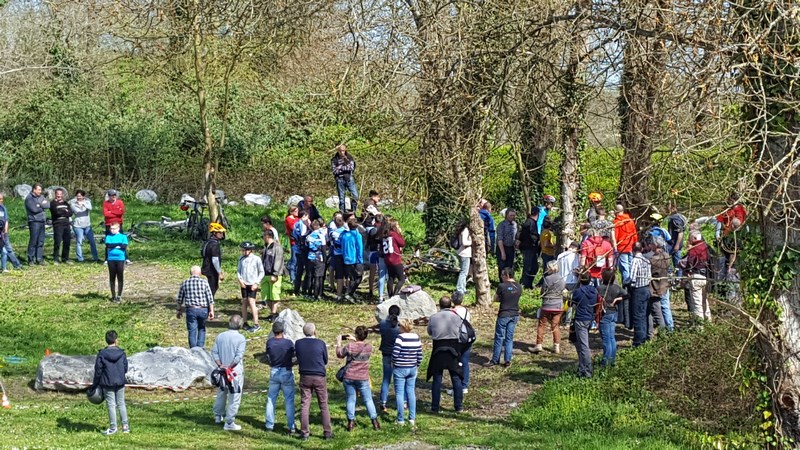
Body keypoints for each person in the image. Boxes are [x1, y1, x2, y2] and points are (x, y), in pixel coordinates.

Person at [336, 326, 380, 431]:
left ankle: (350, 422)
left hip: (349, 377)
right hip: (363, 377)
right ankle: (375, 422)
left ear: (356, 334)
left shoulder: (349, 346)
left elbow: (339, 355)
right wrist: (356, 339)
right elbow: (361, 345)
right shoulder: (369, 347)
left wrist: (338, 343)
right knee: (368, 400)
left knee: (351, 399)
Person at [295, 322, 333, 440]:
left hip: (305, 376)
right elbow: (325, 360)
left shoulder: (298, 343)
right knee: (323, 404)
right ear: (314, 331)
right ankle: (327, 432)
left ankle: (304, 432)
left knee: (305, 404)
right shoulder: (320, 343)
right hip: (319, 376)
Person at [426, 296, 464, 413]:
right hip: (453, 348)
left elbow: (429, 332)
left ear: (440, 305)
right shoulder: (457, 317)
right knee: (456, 377)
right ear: (450, 305)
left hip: (438, 348)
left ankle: (435, 407)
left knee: (437, 378)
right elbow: (461, 332)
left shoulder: (433, 318)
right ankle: (458, 406)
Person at [211, 315, 247, 431]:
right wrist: (229, 367)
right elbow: (238, 357)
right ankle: (229, 421)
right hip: (234, 372)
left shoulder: (220, 336)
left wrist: (221, 365)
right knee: (234, 395)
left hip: (222, 370)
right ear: (240, 325)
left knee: (222, 392)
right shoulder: (241, 338)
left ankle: (218, 415)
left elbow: (214, 352)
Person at [92, 330, 129, 435]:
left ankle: (113, 428)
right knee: (121, 403)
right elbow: (125, 368)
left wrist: (95, 384)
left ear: (106, 341)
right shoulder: (122, 353)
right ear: (116, 340)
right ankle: (125, 427)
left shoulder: (102, 354)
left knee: (111, 405)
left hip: (107, 383)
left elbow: (98, 370)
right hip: (120, 382)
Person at [264, 321, 297, 435]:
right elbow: (293, 355)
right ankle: (291, 426)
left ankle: (269, 425)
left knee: (271, 399)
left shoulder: (270, 342)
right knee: (289, 400)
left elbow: (267, 355)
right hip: (286, 371)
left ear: (273, 331)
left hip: (274, 371)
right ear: (283, 331)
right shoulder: (288, 343)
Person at [485, 268, 522, 367]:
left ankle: (495, 359)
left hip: (504, 314)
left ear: (507, 275)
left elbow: (496, 298)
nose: (501, 277)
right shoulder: (519, 287)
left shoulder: (502, 286)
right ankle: (507, 360)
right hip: (514, 314)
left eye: (502, 275)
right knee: (509, 338)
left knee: (499, 337)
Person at [392, 318, 422, 427]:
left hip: (400, 367)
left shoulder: (400, 338)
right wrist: (416, 365)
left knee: (400, 394)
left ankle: (400, 419)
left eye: (399, 325)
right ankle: (412, 418)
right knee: (411, 392)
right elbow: (420, 354)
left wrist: (394, 363)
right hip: (412, 368)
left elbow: (395, 354)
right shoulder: (416, 337)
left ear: (403, 327)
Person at [176, 265, 215, 348]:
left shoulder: (185, 282)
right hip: (203, 309)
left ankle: (193, 350)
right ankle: (200, 349)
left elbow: (179, 298)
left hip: (191, 309)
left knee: (192, 330)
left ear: (190, 273)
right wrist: (211, 311)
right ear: (200, 273)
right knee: (202, 329)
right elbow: (210, 298)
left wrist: (179, 310)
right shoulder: (204, 282)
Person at [534, 260, 566, 354]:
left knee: (542, 324)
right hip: (558, 305)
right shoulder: (562, 279)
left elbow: (543, 292)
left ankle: (539, 344)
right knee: (555, 326)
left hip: (547, 305)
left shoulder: (546, 279)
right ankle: (556, 346)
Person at [598, 269, 628, 367]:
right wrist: (616, 299)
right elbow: (627, 295)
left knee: (606, 338)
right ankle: (612, 359)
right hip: (614, 313)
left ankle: (606, 361)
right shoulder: (617, 288)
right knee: (611, 337)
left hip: (605, 314)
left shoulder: (600, 288)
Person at [376, 305, 401, 412]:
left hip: (386, 353)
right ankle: (402, 402)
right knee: (399, 380)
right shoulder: (400, 327)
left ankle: (383, 402)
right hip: (398, 354)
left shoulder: (383, 324)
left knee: (386, 379)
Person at [571, 273, 596, 378]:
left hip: (580, 319)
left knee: (584, 346)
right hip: (589, 318)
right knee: (580, 344)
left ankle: (587, 371)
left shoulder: (578, 291)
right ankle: (582, 367)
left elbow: (573, 302)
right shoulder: (594, 290)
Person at [237, 241, 265, 333]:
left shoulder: (256, 259)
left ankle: (256, 324)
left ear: (250, 250)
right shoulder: (241, 259)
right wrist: (240, 280)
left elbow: (261, 272)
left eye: (245, 250)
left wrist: (256, 283)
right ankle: (245, 322)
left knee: (252, 302)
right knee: (244, 301)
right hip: (244, 283)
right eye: (243, 250)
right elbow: (238, 271)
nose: (243, 252)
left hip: (253, 284)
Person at [647, 237, 672, 334]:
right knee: (666, 307)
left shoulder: (653, 259)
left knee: (658, 309)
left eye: (651, 244)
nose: (650, 245)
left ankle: (663, 329)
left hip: (656, 287)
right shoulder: (666, 255)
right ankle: (670, 328)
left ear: (655, 245)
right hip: (665, 285)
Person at [684, 232, 710, 321]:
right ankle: (708, 320)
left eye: (690, 238)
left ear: (694, 238)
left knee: (697, 303)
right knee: (704, 300)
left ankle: (700, 326)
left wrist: (687, 271)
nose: (688, 240)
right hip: (705, 276)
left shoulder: (694, 249)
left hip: (696, 276)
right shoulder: (705, 246)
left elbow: (690, 263)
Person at [630, 242, 652, 347]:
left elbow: (632, 278)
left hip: (638, 290)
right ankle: (644, 337)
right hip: (646, 288)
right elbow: (649, 276)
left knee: (637, 315)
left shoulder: (635, 261)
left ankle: (638, 341)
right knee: (644, 314)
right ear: (642, 249)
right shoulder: (646, 261)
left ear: (632, 249)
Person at [450, 291, 472, 395]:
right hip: (467, 338)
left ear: (452, 300)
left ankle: (456, 386)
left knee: (456, 362)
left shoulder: (452, 312)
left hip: (456, 339)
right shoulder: (466, 311)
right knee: (465, 362)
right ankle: (464, 385)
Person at [69, 190, 100, 263]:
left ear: (83, 196)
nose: (79, 197)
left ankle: (95, 257)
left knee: (92, 241)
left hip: (87, 225)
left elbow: (90, 208)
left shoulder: (87, 202)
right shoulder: (73, 204)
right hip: (78, 226)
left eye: (80, 196)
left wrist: (83, 204)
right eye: (77, 196)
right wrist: (79, 205)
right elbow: (77, 211)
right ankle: (80, 258)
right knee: (79, 242)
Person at [261, 230, 285, 322]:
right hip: (265, 274)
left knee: (274, 295)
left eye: (263, 236)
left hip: (274, 275)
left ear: (268, 236)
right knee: (266, 296)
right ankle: (273, 313)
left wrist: (275, 274)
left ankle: (274, 314)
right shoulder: (265, 247)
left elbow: (278, 261)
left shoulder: (277, 248)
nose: (263, 238)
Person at [612, 204, 638, 286]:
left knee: (624, 269)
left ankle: (627, 286)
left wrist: (614, 248)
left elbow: (615, 237)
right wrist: (634, 245)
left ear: (616, 211)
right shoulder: (630, 220)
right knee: (630, 266)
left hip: (621, 248)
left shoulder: (617, 222)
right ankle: (632, 283)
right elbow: (634, 234)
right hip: (630, 247)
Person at [556, 242, 580, 325]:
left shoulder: (560, 255)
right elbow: (576, 269)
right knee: (571, 302)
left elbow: (557, 268)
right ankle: (568, 321)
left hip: (561, 280)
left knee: (561, 300)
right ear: (576, 248)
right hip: (572, 280)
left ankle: (558, 318)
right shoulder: (575, 256)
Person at [341, 216, 365, 301]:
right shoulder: (357, 235)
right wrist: (360, 260)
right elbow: (359, 248)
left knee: (351, 277)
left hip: (346, 259)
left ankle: (350, 294)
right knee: (358, 277)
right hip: (354, 259)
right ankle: (349, 293)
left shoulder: (344, 235)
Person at [24, 183, 49, 265]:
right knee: (33, 241)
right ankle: (30, 259)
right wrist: (42, 205)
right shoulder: (29, 198)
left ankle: (39, 258)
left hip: (42, 221)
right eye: (39, 190)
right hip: (34, 222)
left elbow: (48, 205)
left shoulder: (41, 197)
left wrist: (39, 205)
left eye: (41, 190)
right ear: (34, 189)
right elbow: (34, 209)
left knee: (41, 241)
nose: (40, 191)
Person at [381, 218, 406, 296]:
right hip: (395, 259)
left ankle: (390, 295)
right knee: (401, 279)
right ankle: (395, 295)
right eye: (397, 225)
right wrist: (400, 234)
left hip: (387, 259)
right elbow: (402, 243)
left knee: (391, 277)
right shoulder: (394, 234)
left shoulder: (385, 234)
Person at [331, 144, 359, 213]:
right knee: (341, 199)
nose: (342, 152)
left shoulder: (349, 157)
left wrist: (340, 167)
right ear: (338, 151)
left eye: (343, 151)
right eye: (340, 151)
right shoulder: (334, 159)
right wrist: (345, 167)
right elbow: (335, 171)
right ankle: (342, 213)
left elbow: (351, 167)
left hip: (349, 178)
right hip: (340, 179)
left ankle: (353, 212)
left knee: (355, 196)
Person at [105, 223, 128, 303]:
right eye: (111, 229)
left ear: (118, 229)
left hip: (120, 259)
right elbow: (108, 245)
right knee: (112, 277)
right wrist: (118, 244)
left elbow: (124, 246)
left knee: (120, 276)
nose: (112, 230)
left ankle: (119, 295)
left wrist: (115, 245)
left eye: (114, 228)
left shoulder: (123, 237)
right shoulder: (108, 237)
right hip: (111, 259)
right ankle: (113, 295)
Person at [0, 193, 23, 272]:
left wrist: (5, 231)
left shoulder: (3, 208)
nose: (0, 200)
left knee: (8, 249)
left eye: (1, 199)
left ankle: (16, 265)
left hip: (3, 233)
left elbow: (6, 220)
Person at [517, 209, 540, 289]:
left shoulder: (530, 222)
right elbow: (530, 236)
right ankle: (524, 284)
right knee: (528, 266)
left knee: (534, 267)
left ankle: (528, 283)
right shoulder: (530, 223)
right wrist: (536, 240)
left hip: (530, 247)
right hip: (529, 248)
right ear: (538, 214)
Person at [201, 223, 226, 295]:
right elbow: (215, 260)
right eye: (220, 232)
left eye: (222, 232)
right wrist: (219, 272)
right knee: (212, 288)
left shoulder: (208, 242)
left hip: (205, 268)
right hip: (211, 270)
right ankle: (208, 304)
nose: (222, 234)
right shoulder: (214, 244)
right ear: (214, 233)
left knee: (211, 287)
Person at [49, 188, 72, 264]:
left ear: (62, 195)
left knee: (67, 241)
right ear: (55, 194)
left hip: (66, 223)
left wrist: (64, 212)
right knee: (58, 242)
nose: (59, 195)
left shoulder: (66, 203)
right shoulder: (53, 203)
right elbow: (56, 213)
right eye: (57, 194)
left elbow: (70, 213)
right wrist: (65, 211)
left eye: (60, 194)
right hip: (58, 224)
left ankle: (65, 258)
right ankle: (56, 259)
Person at [305, 219, 327, 300]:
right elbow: (324, 248)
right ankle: (317, 295)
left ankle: (309, 293)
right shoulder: (321, 236)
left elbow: (306, 247)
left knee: (310, 276)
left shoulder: (309, 236)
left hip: (310, 257)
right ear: (319, 226)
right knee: (318, 277)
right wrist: (325, 260)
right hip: (319, 257)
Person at [292, 212, 311, 297]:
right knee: (306, 270)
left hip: (297, 249)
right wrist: (309, 227)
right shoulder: (302, 225)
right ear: (304, 216)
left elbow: (294, 235)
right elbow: (303, 236)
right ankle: (304, 289)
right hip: (303, 250)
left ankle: (296, 289)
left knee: (299, 270)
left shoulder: (296, 224)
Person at [666, 203, 687, 277]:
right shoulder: (678, 217)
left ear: (673, 208)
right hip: (675, 244)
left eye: (668, 208)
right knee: (677, 263)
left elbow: (680, 232)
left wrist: (677, 245)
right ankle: (677, 277)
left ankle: (674, 276)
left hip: (674, 244)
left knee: (664, 257)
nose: (666, 210)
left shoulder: (675, 219)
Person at [496, 209, 518, 279]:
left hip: (511, 247)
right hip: (502, 247)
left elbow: (515, 236)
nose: (512, 217)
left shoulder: (515, 224)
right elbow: (500, 239)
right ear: (506, 216)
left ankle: (509, 280)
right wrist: (503, 253)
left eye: (514, 215)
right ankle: (502, 281)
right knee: (502, 266)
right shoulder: (501, 225)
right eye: (511, 215)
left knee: (510, 266)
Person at [455, 221, 472, 294]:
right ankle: (460, 289)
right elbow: (465, 242)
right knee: (464, 272)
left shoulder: (462, 230)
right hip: (465, 254)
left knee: (464, 272)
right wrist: (472, 242)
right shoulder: (465, 230)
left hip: (461, 252)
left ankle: (463, 288)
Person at [285, 206, 300, 283]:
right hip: (294, 242)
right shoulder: (289, 219)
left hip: (299, 243)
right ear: (291, 212)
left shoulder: (297, 218)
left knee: (298, 261)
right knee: (294, 260)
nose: (297, 212)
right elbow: (293, 227)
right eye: (295, 211)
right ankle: (292, 278)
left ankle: (296, 277)